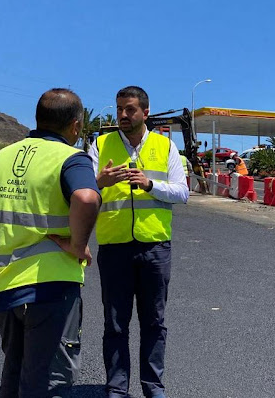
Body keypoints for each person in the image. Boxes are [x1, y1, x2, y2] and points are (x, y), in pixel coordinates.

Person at [0, 88, 101, 397]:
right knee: (49, 380)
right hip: (50, 286)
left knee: (15, 371)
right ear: (76, 125)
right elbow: (86, 198)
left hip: (1, 286)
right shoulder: (71, 159)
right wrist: (77, 245)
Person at [88, 86, 189, 398]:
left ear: (145, 112)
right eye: (119, 108)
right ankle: (117, 388)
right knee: (115, 324)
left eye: (129, 109)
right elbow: (84, 195)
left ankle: (153, 386)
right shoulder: (100, 145)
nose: (122, 115)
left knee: (154, 322)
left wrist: (150, 184)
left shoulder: (166, 146)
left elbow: (182, 193)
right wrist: (100, 182)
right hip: (115, 247)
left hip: (155, 247)